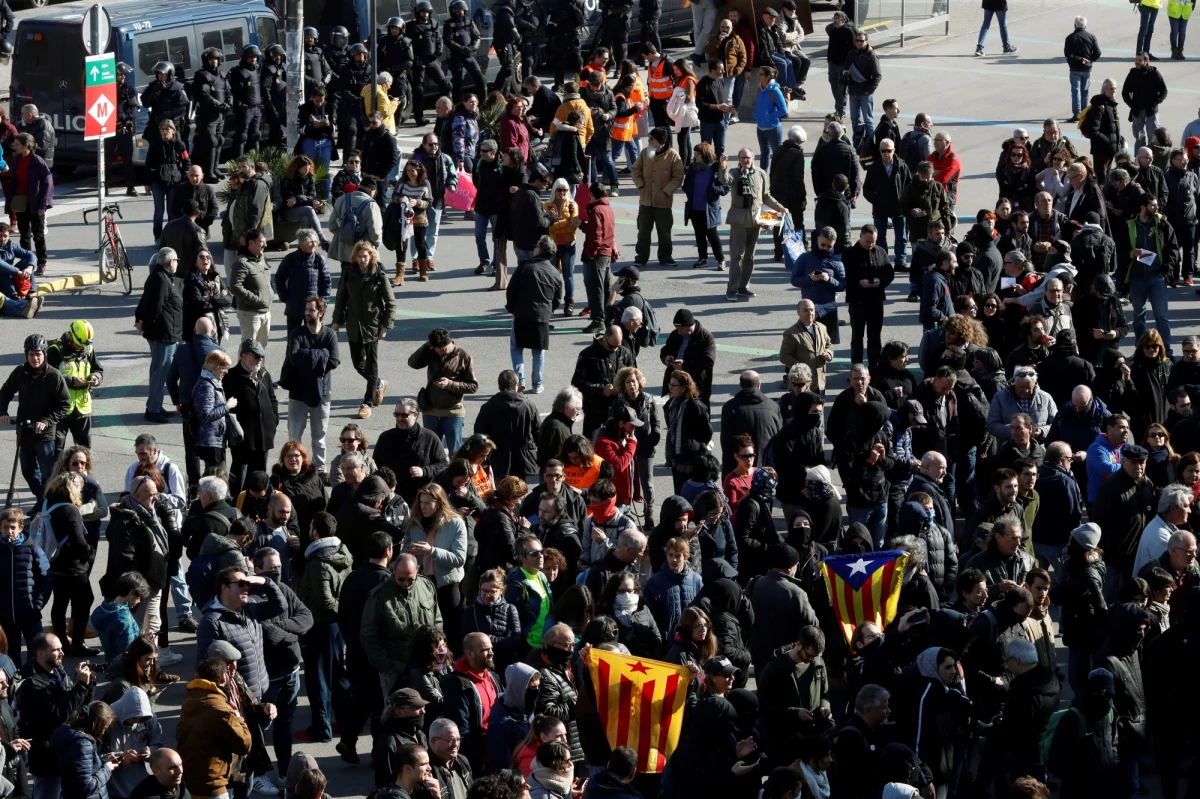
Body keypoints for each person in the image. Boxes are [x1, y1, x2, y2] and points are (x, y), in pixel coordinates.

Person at [16, 633, 97, 799]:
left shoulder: (57, 671)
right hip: (46, 757)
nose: (62, 653)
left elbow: (76, 708)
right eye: (56, 650)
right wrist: (81, 686)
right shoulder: (32, 683)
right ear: (41, 654)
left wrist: (88, 685)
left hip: (64, 749)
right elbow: (59, 715)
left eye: (61, 648)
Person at [332, 241, 396, 420]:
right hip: (353, 326)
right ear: (355, 257)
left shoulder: (379, 275)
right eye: (359, 256)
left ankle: (367, 403)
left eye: (365, 256)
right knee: (357, 363)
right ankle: (379, 383)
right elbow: (341, 299)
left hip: (372, 326)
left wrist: (385, 326)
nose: (362, 260)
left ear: (371, 256)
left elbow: (390, 303)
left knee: (371, 365)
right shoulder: (349, 274)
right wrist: (336, 322)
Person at [176, 658, 253, 799]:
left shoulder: (192, 698)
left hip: (192, 779)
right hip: (213, 786)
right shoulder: (220, 709)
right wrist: (239, 719)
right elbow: (244, 744)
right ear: (224, 677)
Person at [724, 147, 787, 301]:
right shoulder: (734, 173)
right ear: (739, 159)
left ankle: (743, 287)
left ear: (753, 158)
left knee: (749, 258)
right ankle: (731, 289)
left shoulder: (760, 174)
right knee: (736, 257)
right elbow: (724, 180)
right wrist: (722, 166)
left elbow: (766, 196)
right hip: (739, 222)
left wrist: (779, 207)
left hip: (755, 222)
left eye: (748, 157)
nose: (746, 160)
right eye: (742, 158)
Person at [631, 128, 684, 267]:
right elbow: (635, 170)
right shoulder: (644, 153)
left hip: (663, 203)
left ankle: (665, 257)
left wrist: (666, 191)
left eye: (651, 139)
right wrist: (641, 186)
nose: (648, 141)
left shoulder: (673, 156)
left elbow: (678, 177)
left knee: (664, 232)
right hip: (645, 201)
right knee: (643, 231)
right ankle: (641, 257)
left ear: (660, 142)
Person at [843, 225, 895, 367]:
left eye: (873, 241)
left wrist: (881, 281)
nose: (870, 244)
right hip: (857, 300)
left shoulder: (880, 252)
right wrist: (858, 283)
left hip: (876, 300)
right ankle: (856, 366)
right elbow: (844, 277)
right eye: (867, 241)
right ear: (860, 237)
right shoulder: (849, 254)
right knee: (857, 336)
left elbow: (889, 273)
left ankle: (874, 366)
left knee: (874, 336)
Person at [1083, 78, 1123, 176]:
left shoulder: (1111, 104)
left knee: (1107, 176)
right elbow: (1094, 130)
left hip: (1110, 149)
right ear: (1104, 90)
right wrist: (1108, 141)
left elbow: (1114, 128)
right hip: (1101, 150)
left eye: (1115, 88)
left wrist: (1118, 141)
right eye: (1111, 89)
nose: (1114, 91)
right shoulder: (1099, 106)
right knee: (1101, 178)